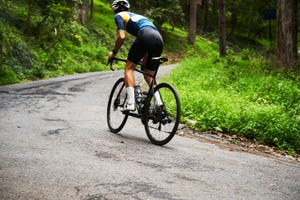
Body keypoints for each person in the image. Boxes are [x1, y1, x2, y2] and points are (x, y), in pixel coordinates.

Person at [108, 0, 164, 111]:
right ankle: (159, 102)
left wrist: (113, 52)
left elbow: (121, 36)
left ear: (115, 10)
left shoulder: (119, 16)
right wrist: (144, 56)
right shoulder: (139, 17)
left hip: (145, 35)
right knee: (148, 74)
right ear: (128, 8)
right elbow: (149, 37)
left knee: (129, 68)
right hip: (159, 39)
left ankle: (131, 103)